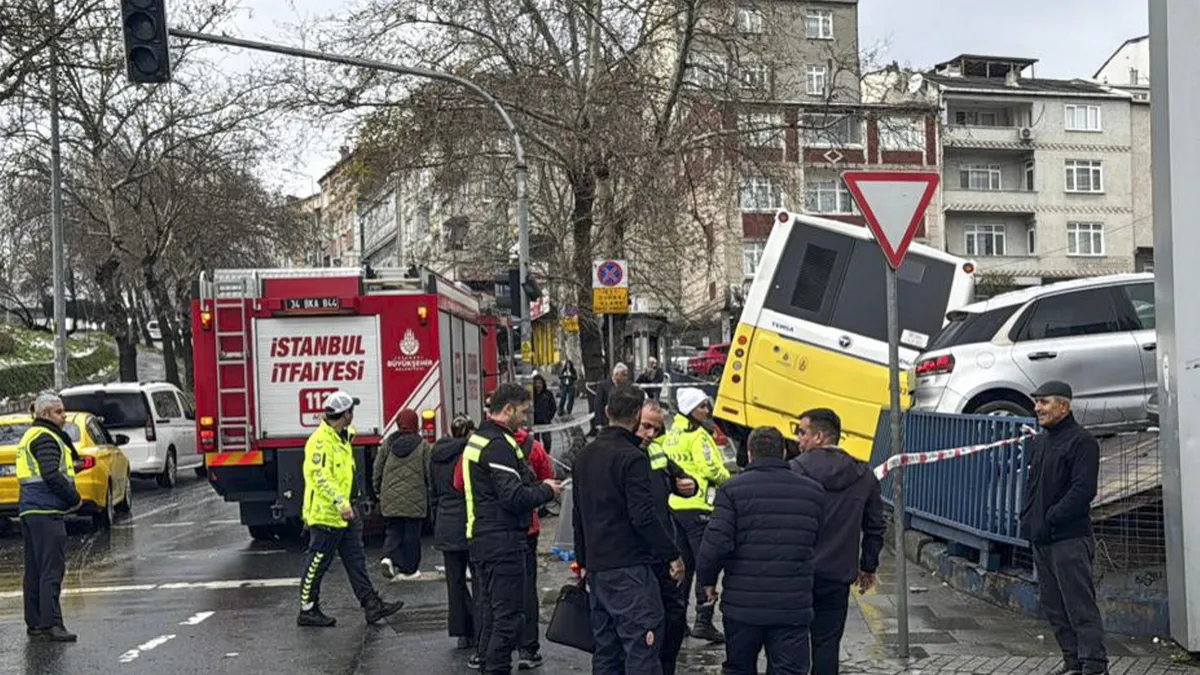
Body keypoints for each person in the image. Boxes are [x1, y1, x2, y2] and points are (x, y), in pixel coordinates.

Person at [695, 427, 826, 675]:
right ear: (785, 452)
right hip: (792, 604)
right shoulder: (813, 492)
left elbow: (715, 544)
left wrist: (707, 582)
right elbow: (818, 540)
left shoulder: (732, 490)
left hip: (742, 605)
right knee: (789, 670)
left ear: (749, 453)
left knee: (739, 668)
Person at [573, 384, 684, 675]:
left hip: (598, 567)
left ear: (607, 411)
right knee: (642, 646)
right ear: (636, 415)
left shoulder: (585, 455)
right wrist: (672, 554)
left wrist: (583, 561)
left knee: (606, 650)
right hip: (630, 567)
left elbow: (578, 514)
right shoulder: (632, 457)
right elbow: (643, 517)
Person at [462, 383, 562, 674]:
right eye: (522, 412)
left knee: (493, 615)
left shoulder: (479, 439)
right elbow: (514, 497)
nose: (525, 418)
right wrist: (546, 490)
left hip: (482, 536)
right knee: (508, 619)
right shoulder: (498, 445)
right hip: (502, 541)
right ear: (507, 410)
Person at [1019, 381, 1107, 675]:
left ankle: (1094, 665)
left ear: (1064, 406)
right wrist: (1028, 520)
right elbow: (1033, 487)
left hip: (1069, 539)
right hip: (1041, 539)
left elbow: (1083, 490)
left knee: (1079, 605)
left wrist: (1052, 518)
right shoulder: (1041, 441)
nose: (1037, 409)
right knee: (1054, 607)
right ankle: (1073, 662)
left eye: (1043, 402)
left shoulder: (1082, 442)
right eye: (1037, 403)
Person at [790, 408, 885, 675]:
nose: (799, 439)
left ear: (819, 436)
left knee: (793, 641)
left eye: (802, 432)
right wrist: (868, 567)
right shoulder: (864, 474)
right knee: (827, 643)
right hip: (837, 573)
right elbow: (875, 525)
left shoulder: (795, 470)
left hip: (797, 572)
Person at [298, 391, 404, 627]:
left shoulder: (342, 437)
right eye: (351, 411)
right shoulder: (320, 442)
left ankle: (371, 605)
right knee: (317, 562)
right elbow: (320, 477)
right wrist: (341, 503)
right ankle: (307, 609)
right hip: (327, 514)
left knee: (356, 560)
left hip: (346, 513)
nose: (353, 416)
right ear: (345, 414)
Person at [662, 386, 731, 643]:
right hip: (699, 507)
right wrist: (730, 479)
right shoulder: (699, 436)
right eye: (702, 406)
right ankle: (704, 620)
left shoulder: (672, 434)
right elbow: (712, 468)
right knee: (706, 564)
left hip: (675, 507)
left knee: (684, 566)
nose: (707, 410)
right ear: (691, 409)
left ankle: (678, 622)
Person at [636, 399, 697, 675]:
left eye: (656, 429)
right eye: (645, 426)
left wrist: (688, 486)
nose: (650, 434)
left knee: (673, 618)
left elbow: (682, 480)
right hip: (636, 554)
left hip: (663, 548)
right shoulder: (623, 454)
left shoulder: (657, 453)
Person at [19, 392, 82, 642]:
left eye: (63, 411)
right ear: (45, 414)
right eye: (59, 412)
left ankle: (35, 622)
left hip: (30, 510)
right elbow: (51, 474)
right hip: (46, 511)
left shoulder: (32, 434)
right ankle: (52, 624)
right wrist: (73, 497)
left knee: (34, 570)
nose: (64, 416)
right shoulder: (45, 437)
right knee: (51, 570)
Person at [431, 415, 478, 649]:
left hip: (445, 522)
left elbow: (432, 490)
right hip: (469, 521)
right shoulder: (470, 452)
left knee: (455, 582)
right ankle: (480, 629)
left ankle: (462, 632)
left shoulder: (437, 454)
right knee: (480, 581)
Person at [374, 408, 432, 581]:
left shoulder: (388, 443)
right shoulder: (423, 445)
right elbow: (429, 471)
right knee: (411, 534)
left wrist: (377, 490)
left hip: (390, 495)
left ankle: (388, 557)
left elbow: (378, 468)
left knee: (394, 530)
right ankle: (410, 570)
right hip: (414, 497)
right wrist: (431, 492)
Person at [514, 425, 555, 670]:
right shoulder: (534, 447)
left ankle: (490, 647)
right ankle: (528, 649)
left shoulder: (485, 445)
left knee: (494, 592)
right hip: (528, 527)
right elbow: (548, 476)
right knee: (528, 588)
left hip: (494, 530)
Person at [593, 363, 630, 430]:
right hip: (607, 421)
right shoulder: (603, 386)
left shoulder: (624, 386)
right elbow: (598, 404)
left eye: (626, 375)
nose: (626, 378)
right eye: (624, 375)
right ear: (616, 374)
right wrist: (599, 422)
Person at [531, 374, 557, 453]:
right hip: (535, 423)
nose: (538, 385)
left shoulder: (548, 394)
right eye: (536, 383)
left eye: (540, 383)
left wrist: (549, 416)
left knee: (547, 441)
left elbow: (553, 406)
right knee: (535, 443)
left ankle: (546, 455)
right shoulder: (531, 395)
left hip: (546, 422)